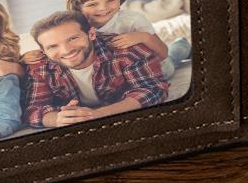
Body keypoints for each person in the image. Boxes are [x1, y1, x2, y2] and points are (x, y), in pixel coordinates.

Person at [23, 10, 168, 128]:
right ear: (43, 50)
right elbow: (34, 109)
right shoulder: (40, 66)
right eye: (53, 46)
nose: (66, 50)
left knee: (170, 62)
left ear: (91, 34)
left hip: (158, 64)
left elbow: (153, 89)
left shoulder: (126, 49)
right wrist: (56, 119)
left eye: (73, 38)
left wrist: (98, 114)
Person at [65, 0, 191, 80]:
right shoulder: (77, 28)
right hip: (121, 78)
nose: (103, 8)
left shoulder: (133, 20)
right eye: (92, 4)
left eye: (111, 0)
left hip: (157, 68)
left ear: (120, 1)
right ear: (79, 9)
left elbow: (163, 53)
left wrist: (143, 37)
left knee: (172, 58)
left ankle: (182, 43)